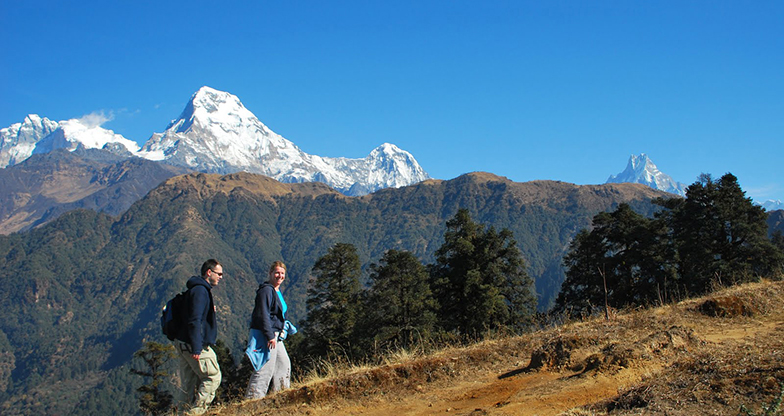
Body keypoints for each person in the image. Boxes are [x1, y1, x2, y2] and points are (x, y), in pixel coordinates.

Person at [173, 259, 224, 415]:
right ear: (209, 272)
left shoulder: (195, 289)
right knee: (213, 377)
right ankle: (194, 413)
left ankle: (181, 412)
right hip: (193, 344)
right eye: (219, 274)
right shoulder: (201, 291)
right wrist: (197, 346)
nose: (221, 277)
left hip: (182, 342)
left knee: (189, 383)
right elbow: (194, 320)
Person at [245, 261, 292, 399]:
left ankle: (281, 396)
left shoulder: (276, 291)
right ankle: (252, 401)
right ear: (270, 273)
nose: (280, 276)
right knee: (264, 368)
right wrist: (269, 335)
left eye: (282, 273)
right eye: (277, 272)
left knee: (283, 364)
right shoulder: (266, 290)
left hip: (276, 335)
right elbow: (262, 314)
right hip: (267, 335)